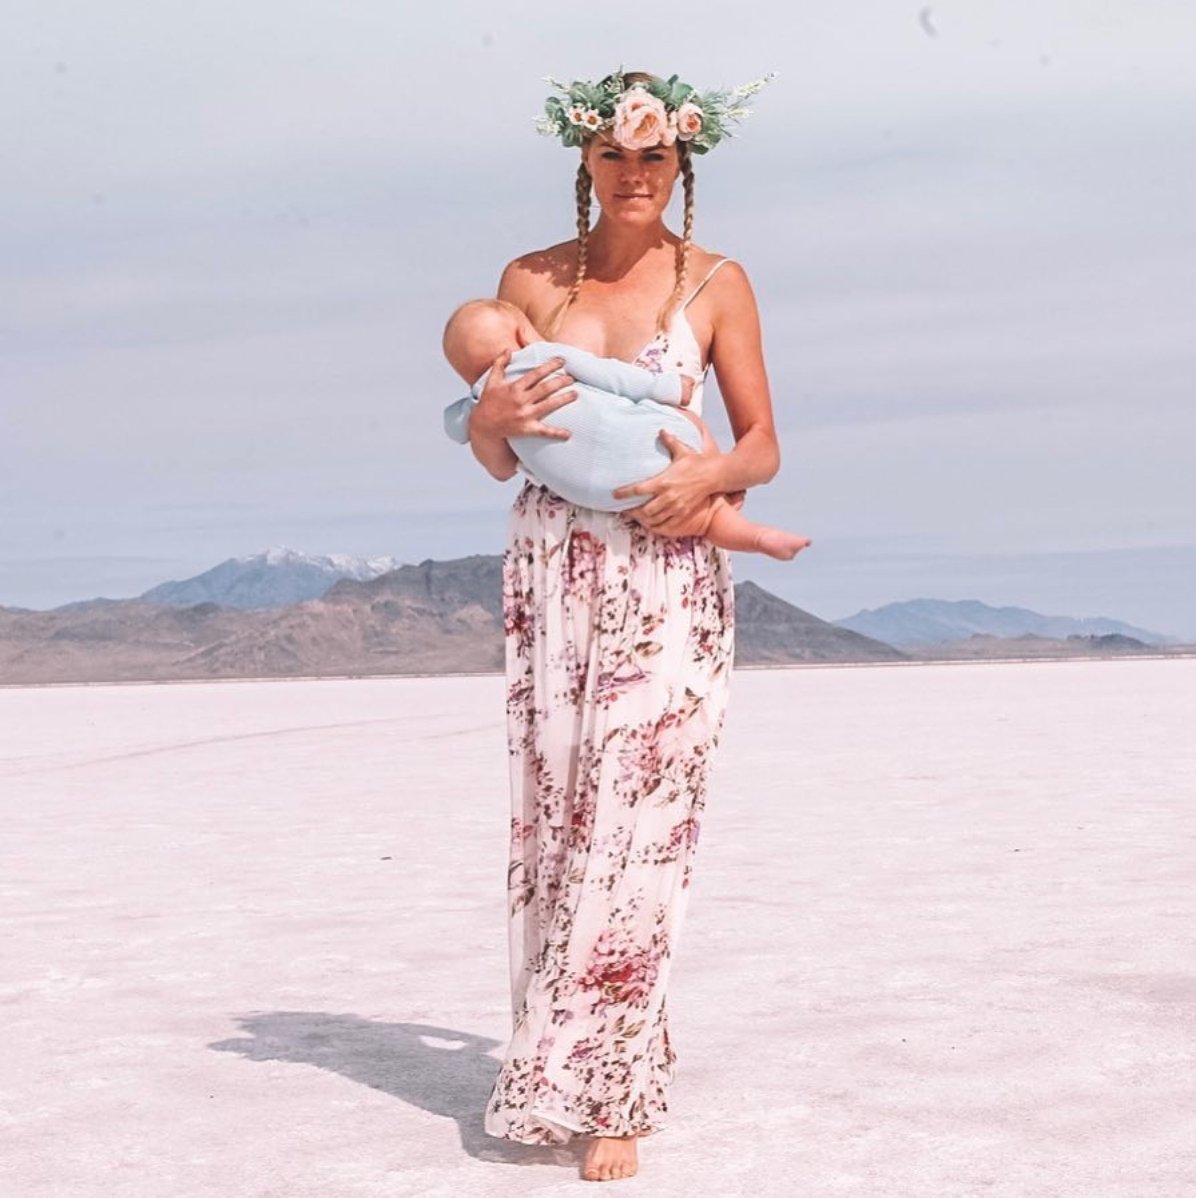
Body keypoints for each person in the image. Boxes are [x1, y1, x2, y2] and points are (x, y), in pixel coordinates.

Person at [462, 67, 785, 1183]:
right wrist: (488, 422)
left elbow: (761, 446)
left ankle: (617, 1094)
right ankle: (552, 1063)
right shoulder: (528, 281)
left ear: (682, 162)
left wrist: (709, 477)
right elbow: (502, 450)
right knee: (557, 825)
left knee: (638, 832)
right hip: (552, 575)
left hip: (668, 577)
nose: (634, 173)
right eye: (614, 155)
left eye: (653, 156)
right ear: (583, 163)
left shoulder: (716, 283)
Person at [442, 297, 811, 559]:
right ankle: (755, 535)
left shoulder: (475, 402)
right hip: (571, 537)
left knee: (688, 516)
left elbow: (763, 448)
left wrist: (712, 476)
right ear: (523, 333)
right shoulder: (538, 351)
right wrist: (669, 388)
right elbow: (611, 377)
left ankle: (728, 515)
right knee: (700, 483)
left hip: (604, 495)